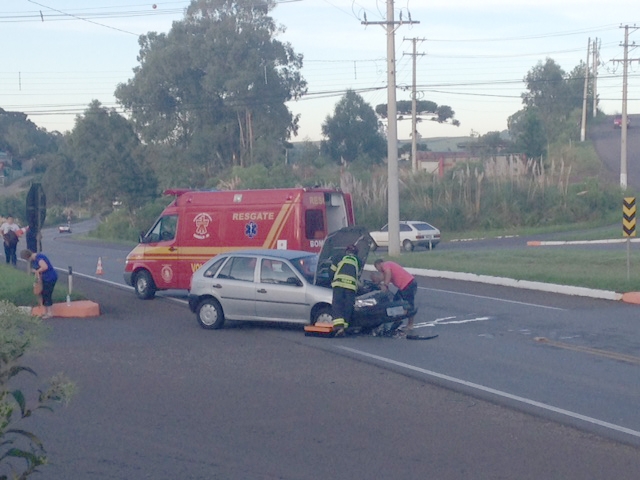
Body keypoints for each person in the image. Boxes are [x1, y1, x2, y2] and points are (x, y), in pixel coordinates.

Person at [374, 258, 418, 332]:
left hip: (408, 284)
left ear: (379, 264)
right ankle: (395, 322)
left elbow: (388, 274)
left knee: (409, 305)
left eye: (376, 268)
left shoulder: (386, 265)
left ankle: (410, 325)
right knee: (395, 302)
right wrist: (376, 280)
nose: (378, 270)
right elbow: (382, 278)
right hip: (404, 286)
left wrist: (386, 285)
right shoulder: (387, 268)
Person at [330, 244, 361, 336]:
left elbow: (332, 271)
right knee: (348, 306)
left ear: (346, 251)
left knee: (337, 304)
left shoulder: (339, 256)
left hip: (339, 284)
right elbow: (357, 274)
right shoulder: (358, 261)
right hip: (350, 286)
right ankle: (345, 326)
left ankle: (339, 326)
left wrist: (330, 280)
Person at [20, 249, 58, 319]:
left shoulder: (38, 258)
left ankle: (49, 313)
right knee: (42, 293)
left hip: (49, 277)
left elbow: (44, 267)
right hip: (44, 278)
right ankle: (44, 311)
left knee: (47, 293)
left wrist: (37, 271)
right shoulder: (35, 259)